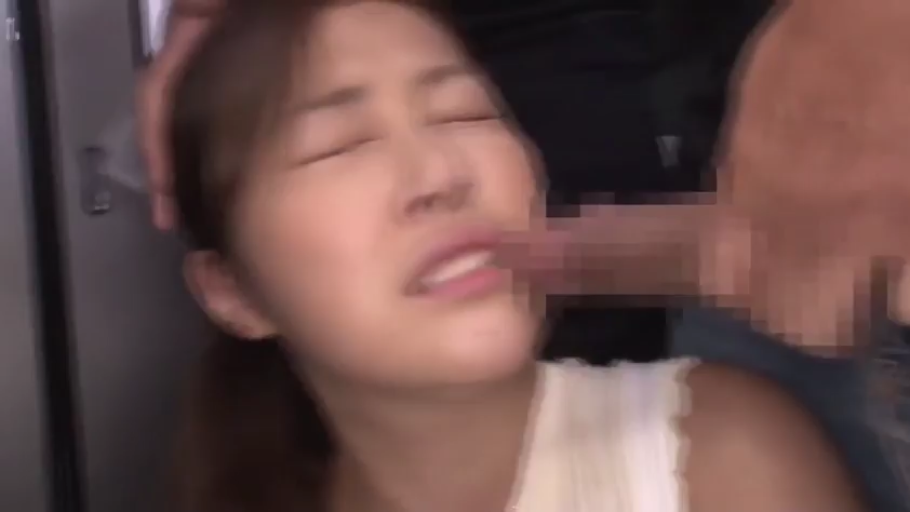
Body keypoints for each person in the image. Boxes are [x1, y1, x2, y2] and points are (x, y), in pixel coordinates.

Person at [166, 1, 863, 511]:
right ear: (232, 292)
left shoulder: (717, 460)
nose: (442, 174)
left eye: (465, 113)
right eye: (340, 146)